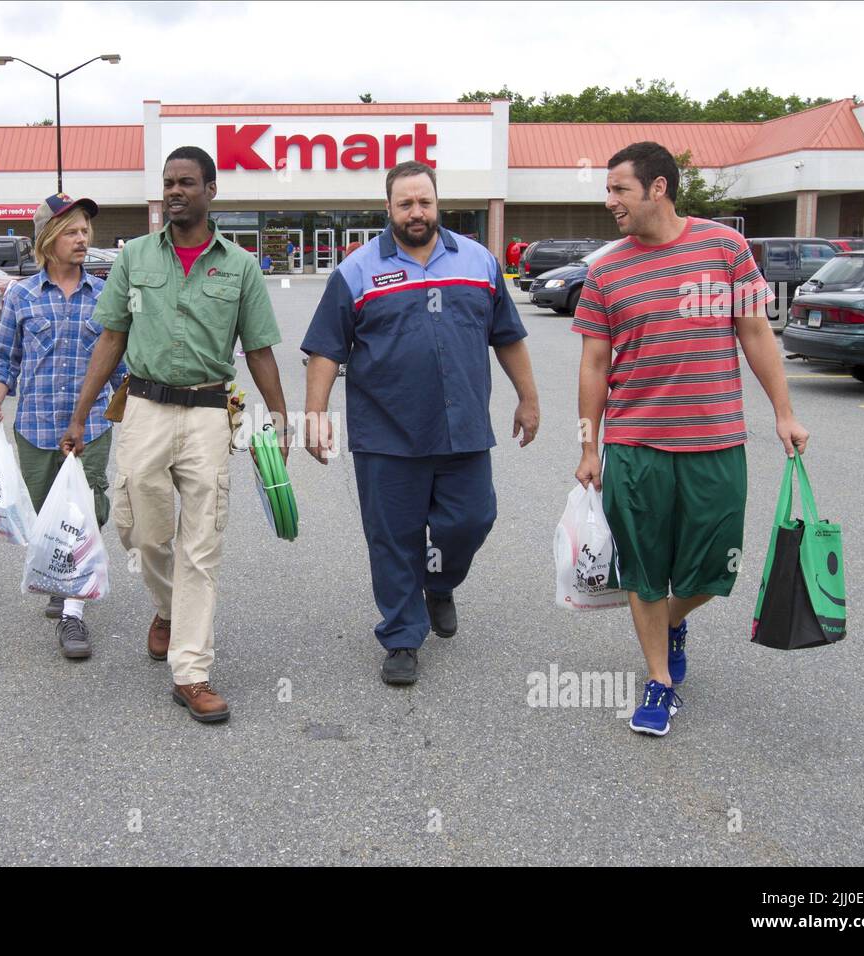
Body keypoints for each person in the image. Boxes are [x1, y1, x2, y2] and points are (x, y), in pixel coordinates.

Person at [572, 141, 810, 737]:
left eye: (619, 189)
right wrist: (588, 445)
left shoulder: (725, 249)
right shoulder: (605, 269)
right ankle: (660, 681)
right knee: (645, 570)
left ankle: (674, 621)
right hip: (636, 445)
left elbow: (755, 332)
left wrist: (784, 412)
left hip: (716, 441)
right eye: (608, 189)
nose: (610, 202)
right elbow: (594, 363)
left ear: (658, 188)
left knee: (713, 571)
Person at [62, 146, 289, 724]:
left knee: (202, 543)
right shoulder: (134, 258)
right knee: (139, 527)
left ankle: (192, 672)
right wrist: (81, 413)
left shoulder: (239, 266)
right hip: (144, 408)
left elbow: (259, 349)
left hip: (211, 414)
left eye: (186, 183)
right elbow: (110, 338)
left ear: (211, 190)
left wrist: (282, 418)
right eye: (168, 183)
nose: (174, 192)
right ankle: (165, 606)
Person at [301, 161, 539, 686]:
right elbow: (324, 347)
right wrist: (314, 414)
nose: (416, 212)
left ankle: (439, 580)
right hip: (386, 435)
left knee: (472, 519)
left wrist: (529, 398)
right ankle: (403, 636)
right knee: (392, 537)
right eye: (405, 203)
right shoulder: (357, 270)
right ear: (388, 208)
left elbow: (507, 335)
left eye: (424, 202)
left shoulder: (478, 261)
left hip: (464, 429)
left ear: (438, 204)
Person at [0, 193, 126, 659]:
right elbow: (5, 358)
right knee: (47, 515)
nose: (82, 238)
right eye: (71, 231)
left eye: (85, 230)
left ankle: (73, 613)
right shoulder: (22, 295)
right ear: (47, 239)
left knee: (87, 512)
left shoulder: (106, 294)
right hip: (37, 428)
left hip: (91, 430)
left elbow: (122, 364)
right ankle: (60, 579)